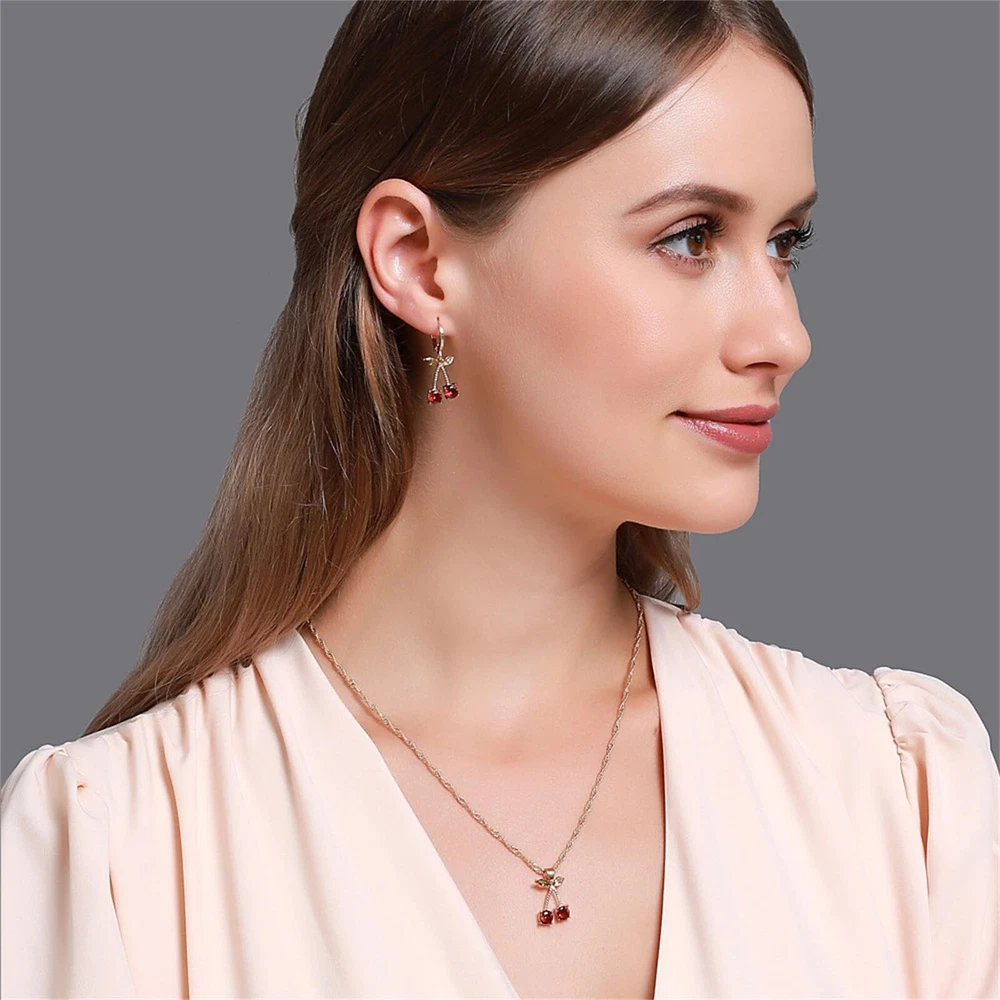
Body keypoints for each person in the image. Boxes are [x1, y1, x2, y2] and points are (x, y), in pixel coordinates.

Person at [3, 1, 997, 997]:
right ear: (419, 262)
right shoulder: (127, 855)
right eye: (691, 237)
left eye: (785, 243)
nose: (784, 335)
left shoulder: (894, 796)